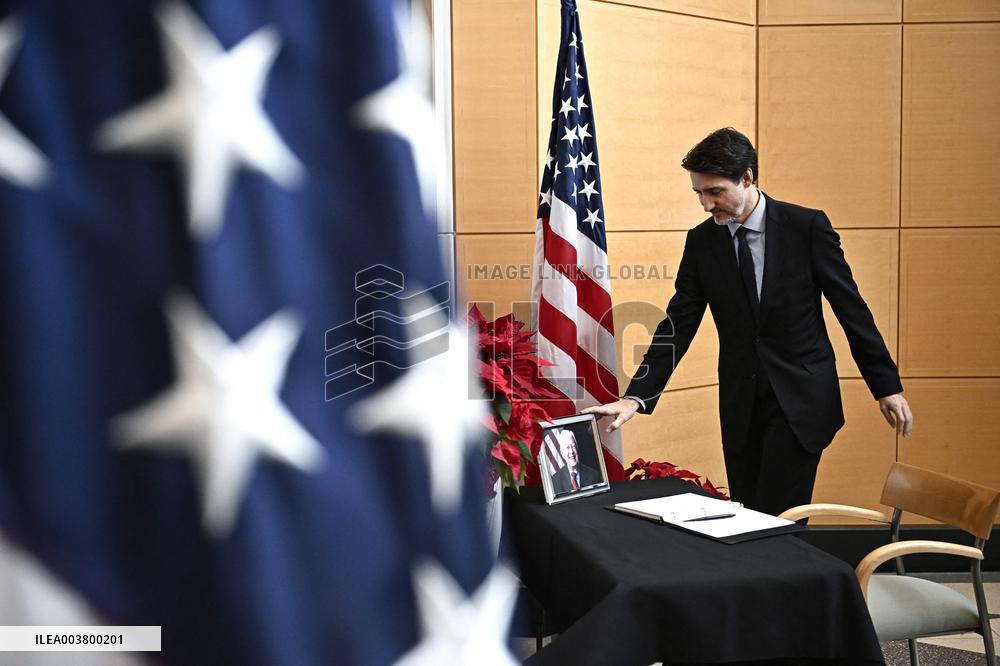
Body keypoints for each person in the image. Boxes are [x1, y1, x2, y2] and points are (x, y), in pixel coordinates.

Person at [583, 128, 913, 515]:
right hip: (741, 403)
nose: (706, 205)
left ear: (747, 178)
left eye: (715, 192)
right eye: (699, 193)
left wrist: (885, 385)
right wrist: (635, 397)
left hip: (801, 399)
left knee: (779, 516)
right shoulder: (702, 242)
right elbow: (678, 323)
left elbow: (851, 308)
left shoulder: (806, 227)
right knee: (748, 513)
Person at [550, 429, 601, 494]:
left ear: (577, 448)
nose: (571, 451)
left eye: (573, 446)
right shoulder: (555, 481)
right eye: (567, 447)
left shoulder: (594, 475)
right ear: (562, 453)